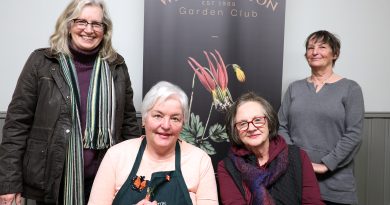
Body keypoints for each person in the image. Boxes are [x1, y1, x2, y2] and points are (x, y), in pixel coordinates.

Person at [0, 0, 140, 204]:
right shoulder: (42, 62)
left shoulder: (116, 65)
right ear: (68, 24)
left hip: (105, 180)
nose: (89, 30)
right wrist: (9, 183)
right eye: (81, 21)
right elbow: (16, 125)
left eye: (96, 24)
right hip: (53, 180)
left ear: (105, 29)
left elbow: (128, 125)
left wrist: (136, 176)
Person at [88, 81, 219, 205]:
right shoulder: (116, 156)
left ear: (182, 123)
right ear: (144, 119)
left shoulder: (200, 161)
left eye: (175, 118)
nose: (166, 125)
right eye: (158, 116)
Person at [278, 30, 364, 205]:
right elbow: (281, 126)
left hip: (336, 187)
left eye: (322, 47)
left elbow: (354, 134)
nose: (315, 51)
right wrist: (297, 161)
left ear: (335, 54)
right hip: (296, 180)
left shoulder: (351, 89)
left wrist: (326, 165)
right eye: (310, 48)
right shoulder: (294, 88)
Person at [217, 92, 324, 205]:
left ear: (269, 122)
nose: (251, 128)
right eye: (243, 123)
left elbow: (313, 202)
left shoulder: (298, 157)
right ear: (235, 131)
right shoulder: (227, 166)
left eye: (258, 120)